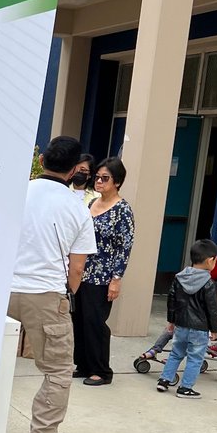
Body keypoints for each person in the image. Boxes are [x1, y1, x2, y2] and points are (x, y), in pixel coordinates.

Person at [9, 136, 97, 433]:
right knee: (57, 369)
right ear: (75, 169)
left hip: (1, 290)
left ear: (42, 159)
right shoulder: (77, 208)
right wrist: (66, 297)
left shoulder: (16, 192)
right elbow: (77, 269)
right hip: (45, 294)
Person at [72, 156, 135, 385]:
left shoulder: (122, 210)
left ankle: (101, 370)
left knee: (95, 321)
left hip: (103, 276)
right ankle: (83, 364)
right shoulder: (92, 204)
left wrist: (116, 279)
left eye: (105, 178)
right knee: (79, 319)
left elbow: (124, 247)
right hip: (82, 271)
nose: (99, 182)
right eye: (97, 177)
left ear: (117, 181)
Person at [157, 239, 217, 398]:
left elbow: (171, 301)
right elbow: (212, 309)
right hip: (199, 329)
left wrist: (171, 321)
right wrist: (215, 330)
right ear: (210, 260)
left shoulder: (179, 278)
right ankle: (185, 388)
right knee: (195, 359)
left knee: (176, 353)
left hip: (181, 326)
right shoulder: (209, 283)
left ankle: (164, 380)